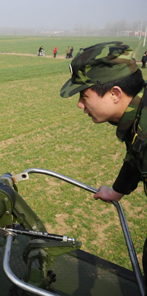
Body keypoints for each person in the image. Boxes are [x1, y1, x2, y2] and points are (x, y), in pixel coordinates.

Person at [60, 41, 147, 286]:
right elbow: (135, 157)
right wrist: (118, 190)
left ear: (115, 93)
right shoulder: (139, 113)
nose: (79, 104)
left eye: (83, 95)